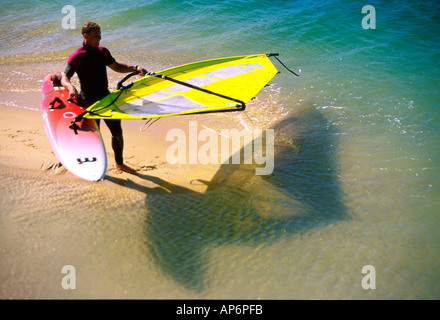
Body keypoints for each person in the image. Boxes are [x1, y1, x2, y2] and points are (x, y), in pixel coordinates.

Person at [61, 21, 148, 174]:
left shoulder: (103, 52)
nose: (99, 38)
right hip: (89, 101)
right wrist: (71, 88)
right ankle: (94, 166)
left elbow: (117, 67)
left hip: (106, 98)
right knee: (95, 135)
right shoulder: (77, 56)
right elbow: (64, 77)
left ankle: (119, 164)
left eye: (100, 35)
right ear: (85, 36)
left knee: (117, 132)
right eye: (96, 36)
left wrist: (135, 68)